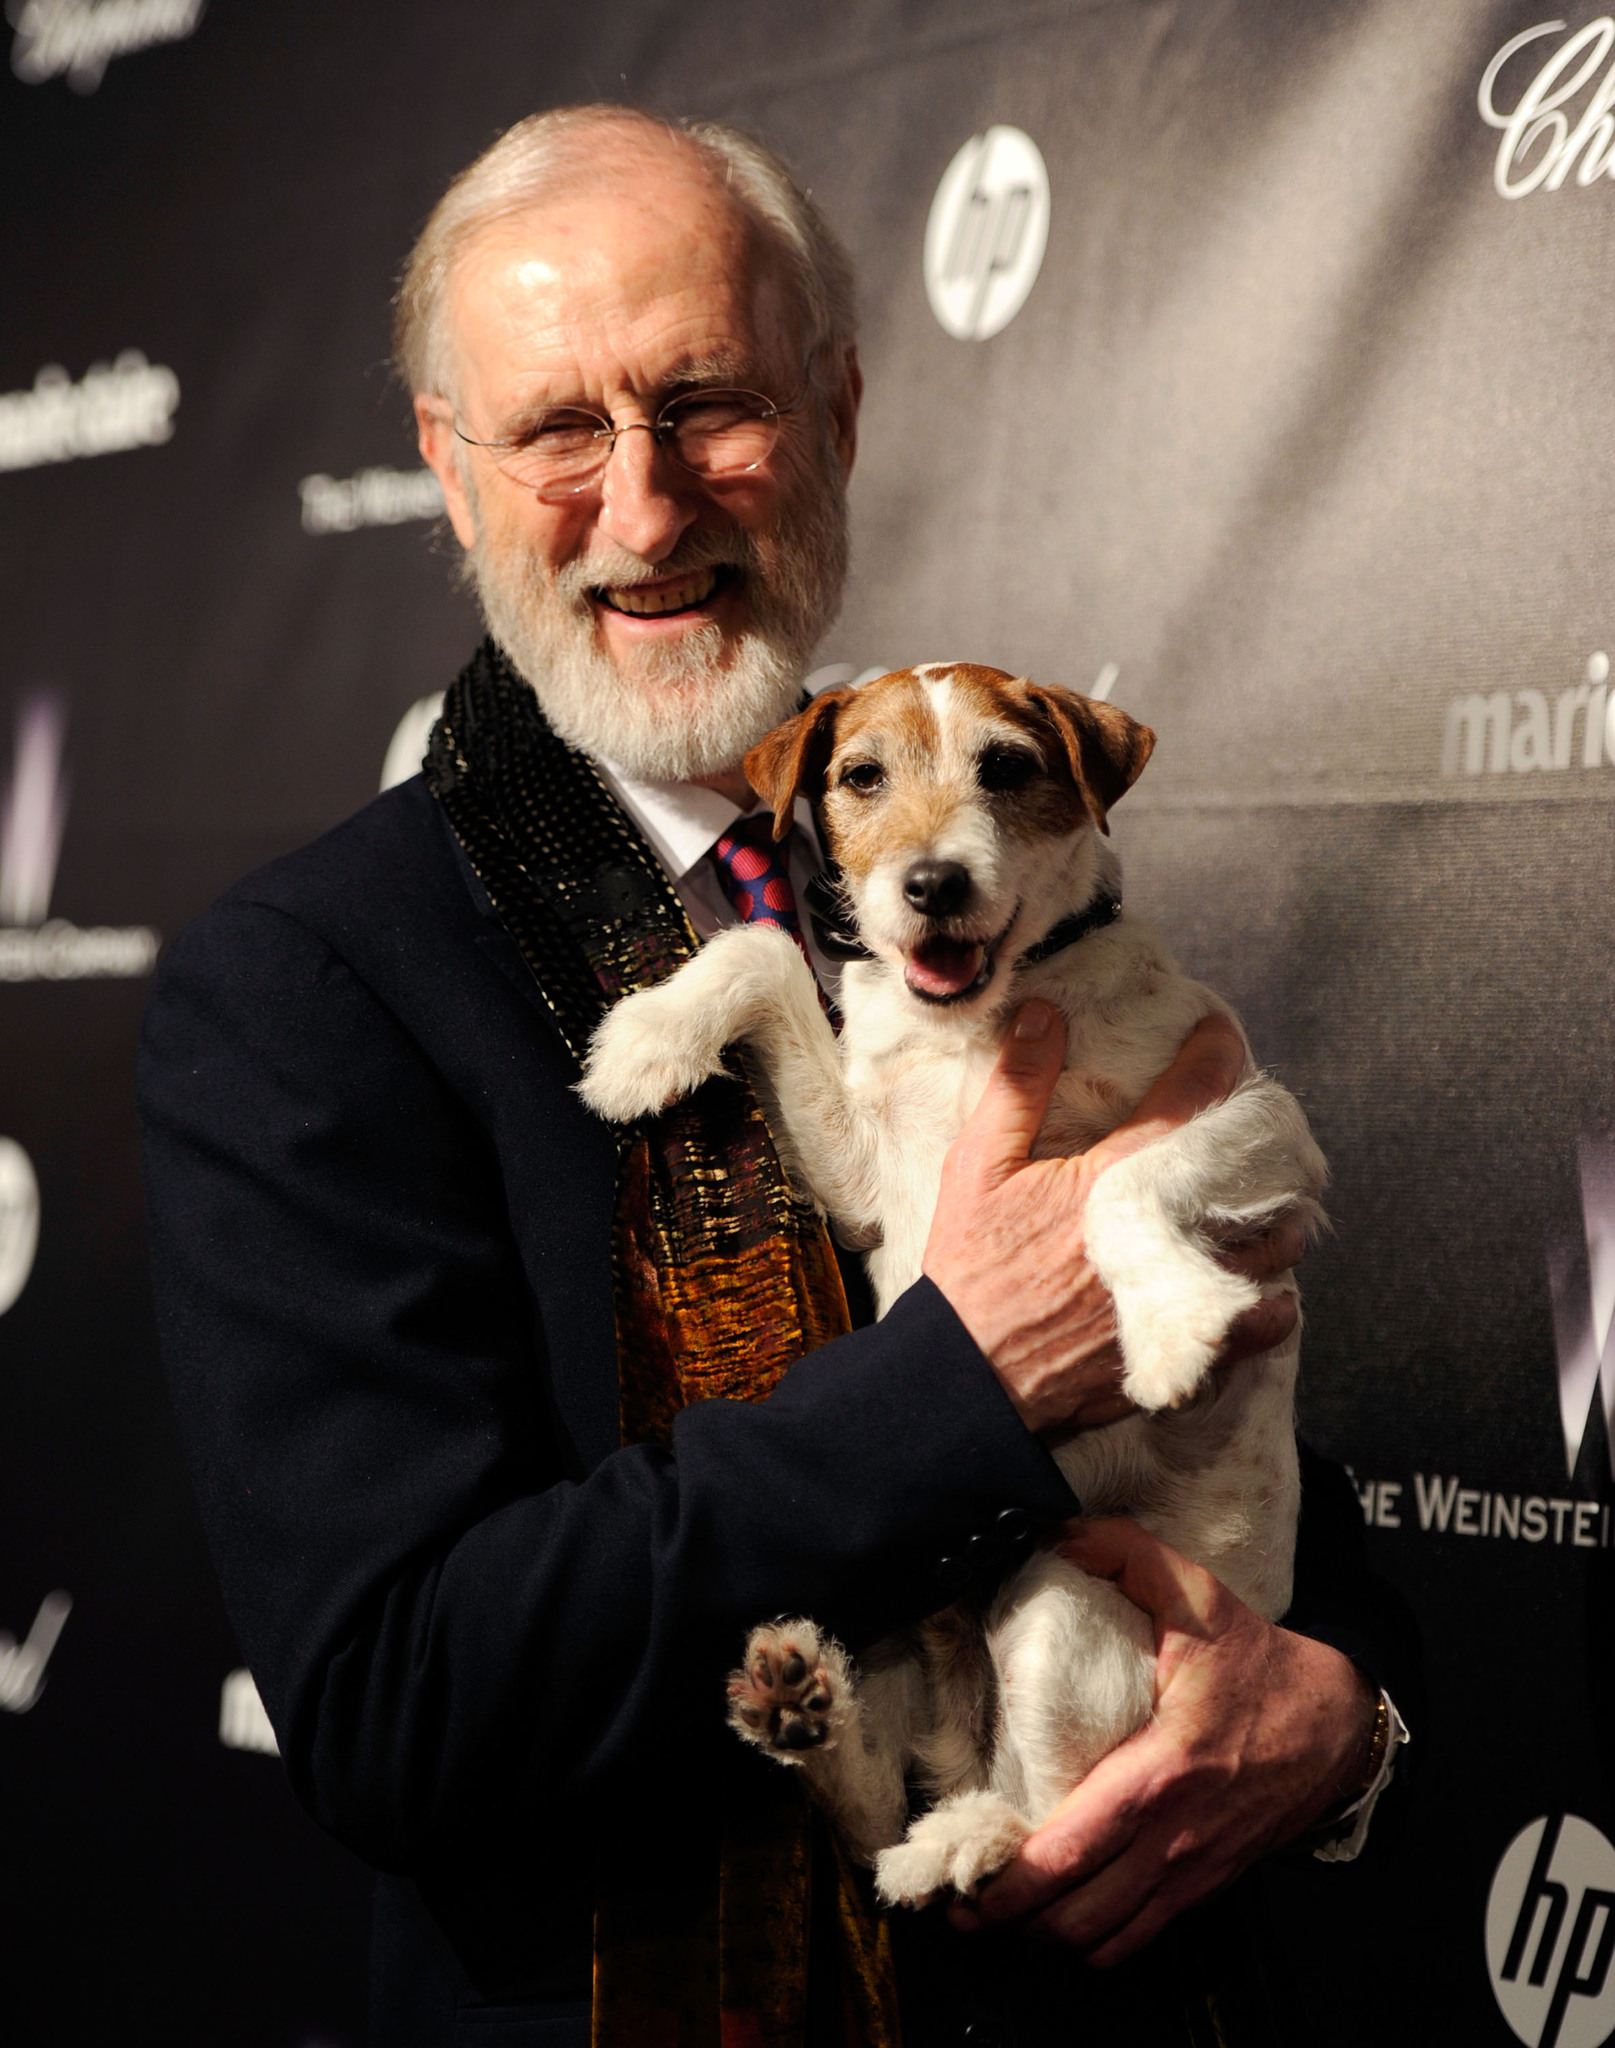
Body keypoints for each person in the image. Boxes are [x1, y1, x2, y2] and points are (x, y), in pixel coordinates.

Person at [137, 106, 1418, 2048]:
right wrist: (964, 1376)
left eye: (706, 402)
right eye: (560, 429)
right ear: (447, 470)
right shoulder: (310, 982)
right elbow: (404, 1706)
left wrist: (1339, 1717)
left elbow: (1222, 1428)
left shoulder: (1000, 859)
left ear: (835, 408)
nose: (646, 512)